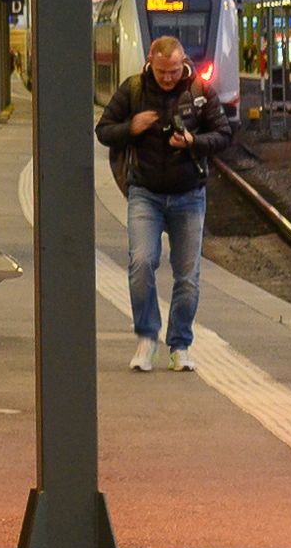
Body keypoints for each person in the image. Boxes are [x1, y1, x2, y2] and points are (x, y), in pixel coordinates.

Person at [97, 31, 235, 370]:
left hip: (189, 195)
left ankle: (180, 345)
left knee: (187, 275)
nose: (169, 78)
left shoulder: (201, 92)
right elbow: (103, 130)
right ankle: (147, 338)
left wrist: (192, 141)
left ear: (183, 62)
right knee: (141, 264)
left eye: (174, 70)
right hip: (145, 193)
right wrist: (132, 126)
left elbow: (223, 135)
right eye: (162, 72)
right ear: (151, 62)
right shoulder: (133, 90)